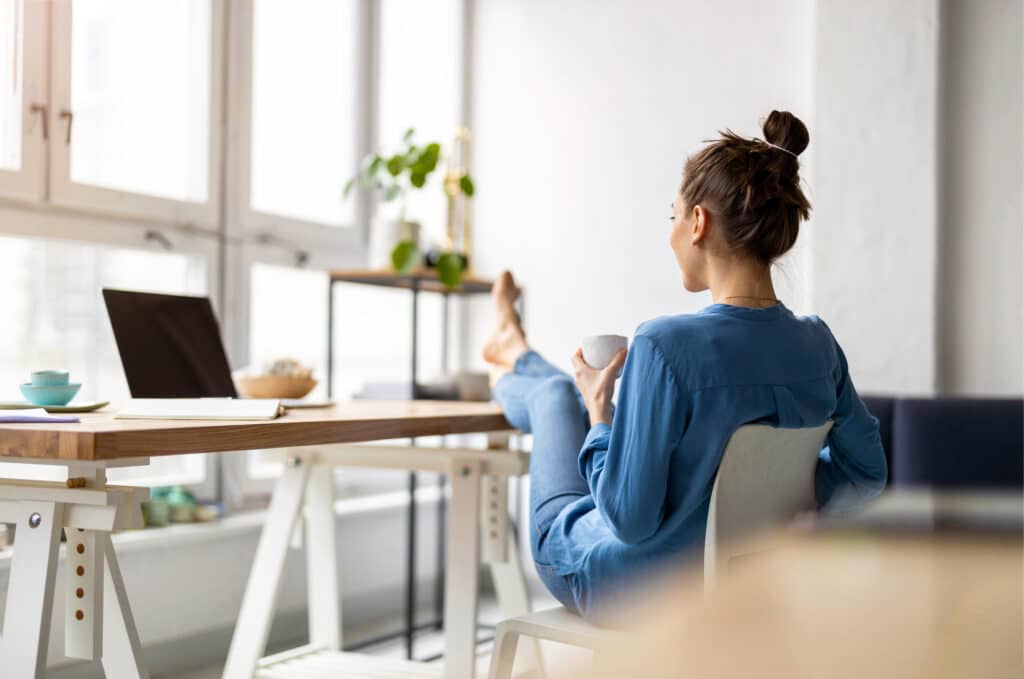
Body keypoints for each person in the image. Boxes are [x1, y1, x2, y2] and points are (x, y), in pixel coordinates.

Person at [482, 110, 888, 621]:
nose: (671, 232)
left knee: (556, 398)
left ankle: (513, 357)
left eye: (672, 215)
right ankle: (515, 350)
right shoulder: (818, 345)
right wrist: (781, 500)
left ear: (698, 222)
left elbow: (629, 521)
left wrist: (601, 416)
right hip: (744, 589)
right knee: (562, 394)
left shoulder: (663, 345)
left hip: (633, 587)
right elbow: (867, 475)